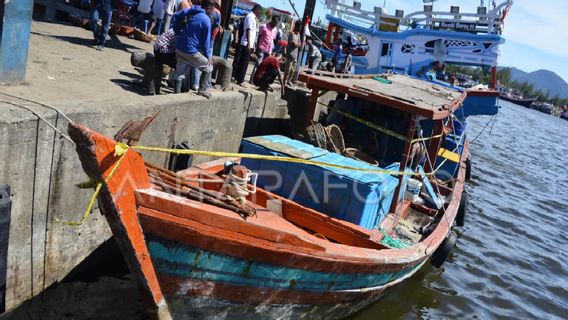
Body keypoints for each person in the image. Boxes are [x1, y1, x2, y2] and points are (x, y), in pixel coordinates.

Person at [171, 0, 215, 98]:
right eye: (212, 9)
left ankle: (176, 96)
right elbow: (206, 42)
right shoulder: (206, 20)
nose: (213, 12)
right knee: (208, 67)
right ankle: (202, 90)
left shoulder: (192, 11)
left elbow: (175, 16)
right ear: (209, 8)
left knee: (180, 71)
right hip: (190, 50)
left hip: (179, 47)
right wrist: (208, 57)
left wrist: (177, 31)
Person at [232, 4, 262, 85]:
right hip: (245, 43)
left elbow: (254, 33)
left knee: (244, 63)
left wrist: (253, 44)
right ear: (256, 9)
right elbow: (248, 30)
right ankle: (239, 79)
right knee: (242, 62)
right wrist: (249, 43)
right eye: (259, 11)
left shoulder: (254, 18)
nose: (260, 13)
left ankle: (239, 79)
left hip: (249, 44)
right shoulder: (250, 17)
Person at [249, 15, 280, 83]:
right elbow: (259, 36)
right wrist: (257, 47)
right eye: (275, 23)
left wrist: (273, 51)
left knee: (266, 66)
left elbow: (273, 40)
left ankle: (260, 80)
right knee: (258, 63)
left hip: (269, 50)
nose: (276, 24)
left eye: (277, 23)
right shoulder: (264, 26)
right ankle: (252, 79)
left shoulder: (275, 30)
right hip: (262, 47)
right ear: (272, 21)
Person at [284, 20, 301, 86]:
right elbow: (293, 43)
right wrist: (297, 44)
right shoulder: (292, 33)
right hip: (290, 55)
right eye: (300, 27)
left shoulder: (298, 35)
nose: (300, 28)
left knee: (292, 70)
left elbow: (299, 44)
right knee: (287, 70)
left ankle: (289, 80)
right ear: (297, 26)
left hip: (295, 55)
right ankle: (284, 81)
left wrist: (297, 44)